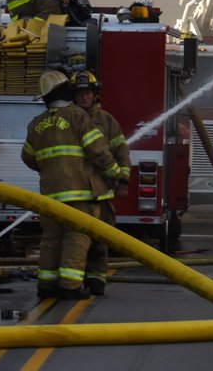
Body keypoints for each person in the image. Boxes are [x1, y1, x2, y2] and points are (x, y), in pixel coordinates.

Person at [21, 69, 126, 299]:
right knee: (77, 237)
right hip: (78, 195)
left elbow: (28, 157)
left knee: (51, 239)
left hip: (50, 195)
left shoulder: (36, 124)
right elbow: (98, 151)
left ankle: (46, 284)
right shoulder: (78, 116)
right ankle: (69, 286)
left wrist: (50, 169)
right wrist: (116, 174)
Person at [70, 69, 131, 296]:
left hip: (101, 193)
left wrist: (123, 180)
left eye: (87, 93)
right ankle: (74, 282)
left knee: (99, 243)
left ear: (95, 94)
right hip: (76, 193)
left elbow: (121, 151)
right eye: (79, 94)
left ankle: (96, 281)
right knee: (75, 242)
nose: (84, 98)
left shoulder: (106, 121)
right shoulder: (67, 120)